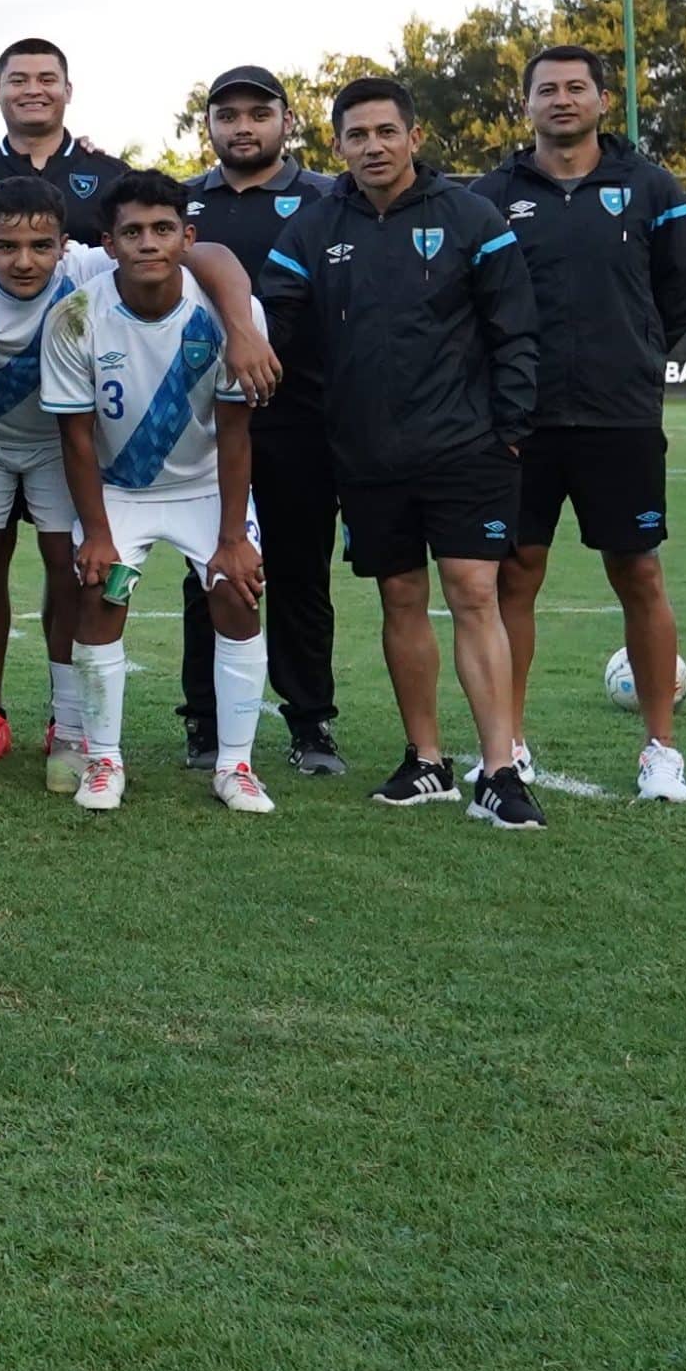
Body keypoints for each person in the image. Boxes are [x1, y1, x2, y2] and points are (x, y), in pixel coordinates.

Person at [258, 77, 545, 828]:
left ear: (414, 137)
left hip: (468, 446)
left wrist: (511, 426)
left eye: (387, 132)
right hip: (367, 451)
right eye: (357, 135)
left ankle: (500, 770)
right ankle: (427, 761)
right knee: (400, 596)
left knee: (474, 592)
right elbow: (271, 320)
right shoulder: (314, 230)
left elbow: (515, 326)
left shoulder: (471, 217)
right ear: (338, 146)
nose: (373, 147)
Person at [0, 175, 273, 781]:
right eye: (7, 247)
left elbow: (212, 255)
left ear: (68, 246)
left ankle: (70, 730)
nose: (24, 260)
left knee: (74, 578)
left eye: (41, 246)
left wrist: (242, 327)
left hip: (62, 447)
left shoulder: (94, 262)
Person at [480, 43, 686, 802]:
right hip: (521, 416)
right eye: (547, 89)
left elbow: (676, 295)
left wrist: (632, 355)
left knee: (637, 571)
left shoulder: (651, 187)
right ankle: (508, 746)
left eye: (577, 87)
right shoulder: (491, 195)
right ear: (526, 105)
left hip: (620, 416)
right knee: (515, 573)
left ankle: (661, 751)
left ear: (603, 101)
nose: (562, 99)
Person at [46, 172, 275, 814]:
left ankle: (236, 766)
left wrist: (232, 539)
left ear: (186, 236)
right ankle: (104, 761)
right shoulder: (75, 318)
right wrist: (97, 534)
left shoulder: (232, 314)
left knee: (236, 593)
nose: (149, 243)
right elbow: (76, 439)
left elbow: (235, 433)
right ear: (109, 244)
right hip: (121, 492)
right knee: (102, 593)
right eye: (133, 232)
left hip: (206, 487)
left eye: (163, 229)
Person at [177, 68, 346, 774]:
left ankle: (310, 722)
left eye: (257, 113)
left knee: (301, 572)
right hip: (204, 423)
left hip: (300, 416)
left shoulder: (328, 197)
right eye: (227, 115)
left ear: (286, 121)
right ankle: (206, 721)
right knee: (209, 570)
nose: (242, 127)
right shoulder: (184, 202)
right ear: (209, 126)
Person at [0, 37, 135, 246]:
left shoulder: (113, 176)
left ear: (68, 91)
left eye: (46, 80)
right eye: (18, 81)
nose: (33, 90)